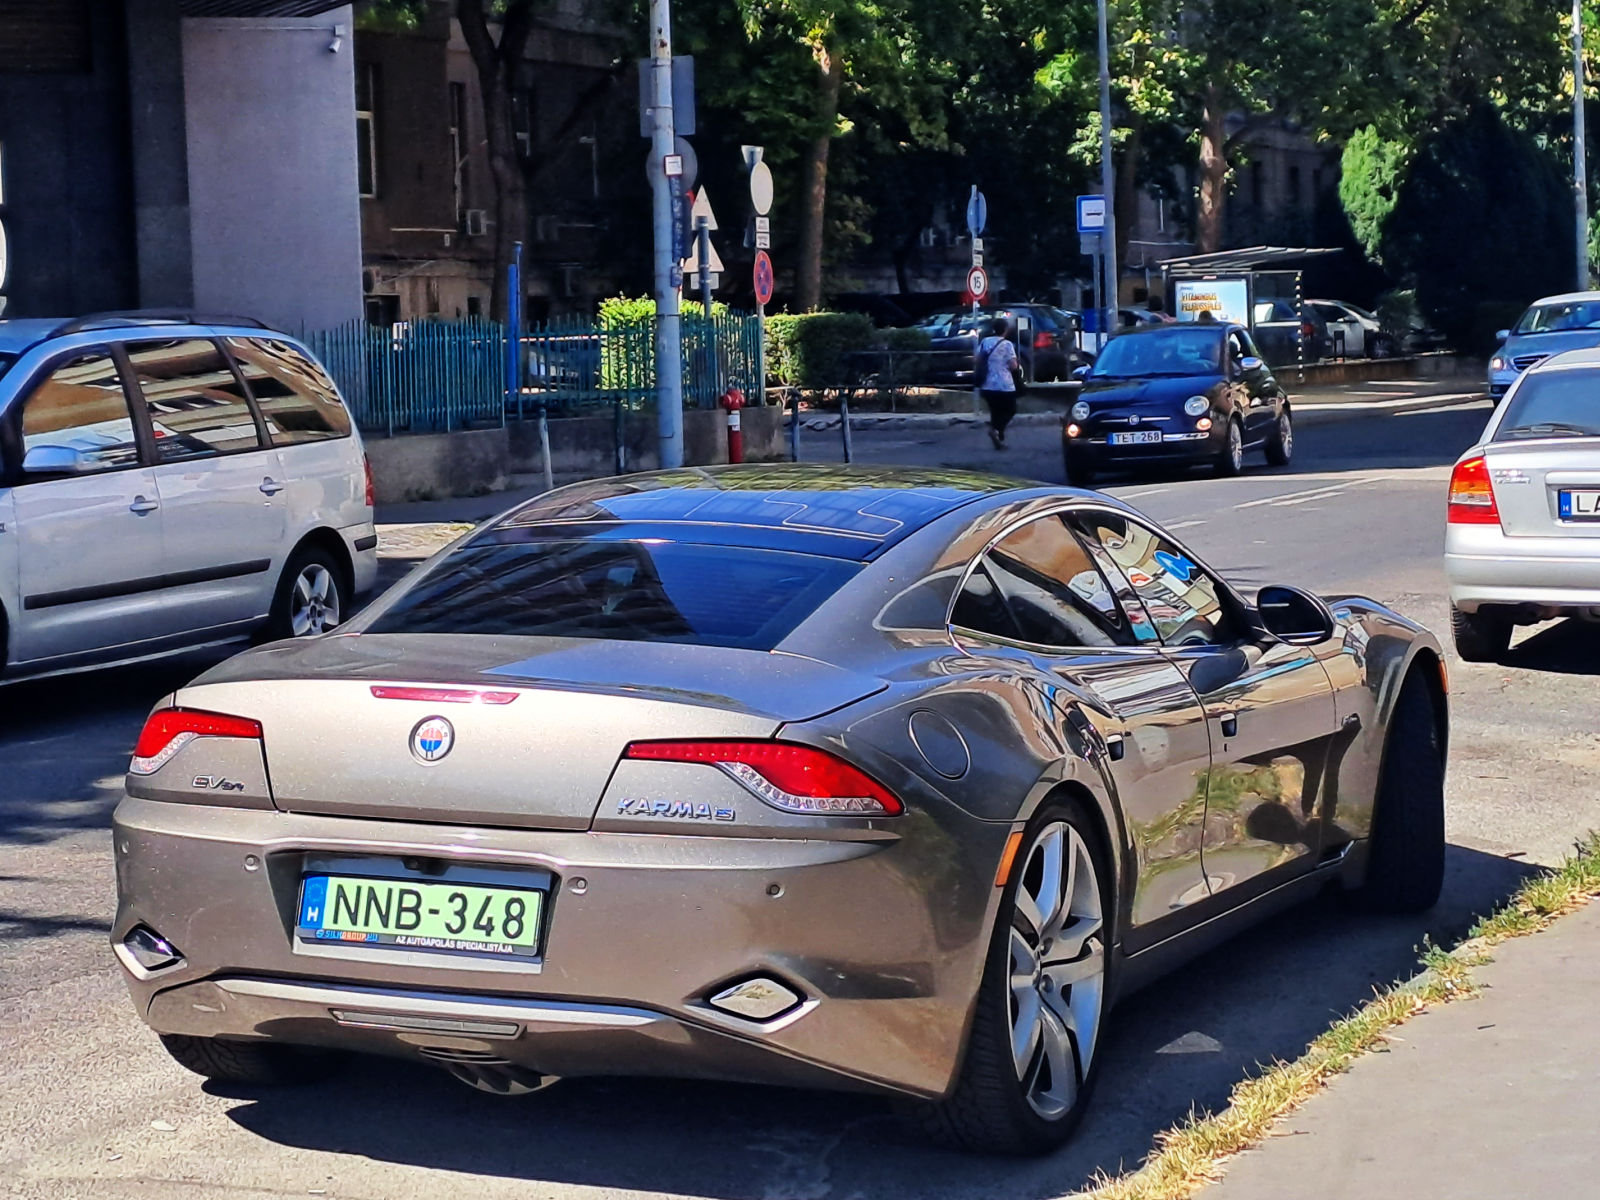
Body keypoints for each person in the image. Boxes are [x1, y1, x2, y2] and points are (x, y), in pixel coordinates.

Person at [976, 316, 1021, 448]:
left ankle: (998, 438)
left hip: (987, 384)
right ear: (1005, 330)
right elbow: (1013, 366)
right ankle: (996, 431)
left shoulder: (985, 341)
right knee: (1011, 409)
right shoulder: (1007, 344)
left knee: (995, 411)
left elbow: (977, 359)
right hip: (1004, 384)